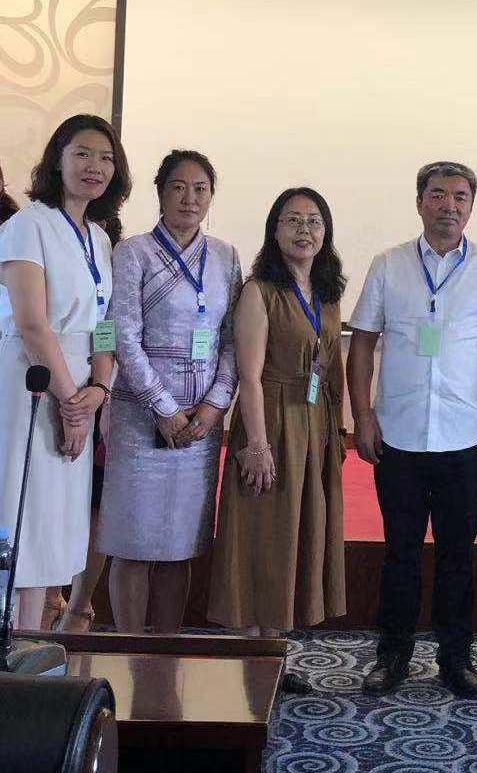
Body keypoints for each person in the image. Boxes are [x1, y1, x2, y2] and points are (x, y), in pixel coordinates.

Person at [348, 161, 477, 699]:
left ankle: (456, 658)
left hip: (464, 437)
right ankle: (392, 655)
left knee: (457, 556)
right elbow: (362, 344)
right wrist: (362, 416)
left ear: (471, 206)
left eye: (460, 197)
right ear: (420, 201)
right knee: (399, 553)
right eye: (439, 194)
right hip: (398, 435)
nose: (450, 205)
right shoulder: (388, 264)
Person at [207, 187, 347, 690]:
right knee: (260, 536)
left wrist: (335, 435)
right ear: (274, 230)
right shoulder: (259, 291)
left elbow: (330, 367)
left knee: (291, 537)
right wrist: (257, 445)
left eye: (314, 221)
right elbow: (249, 375)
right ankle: (247, 661)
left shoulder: (326, 293)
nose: (304, 230)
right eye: (293, 219)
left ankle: (273, 658)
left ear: (325, 232)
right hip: (269, 422)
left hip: (312, 426)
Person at [97, 150, 243, 633]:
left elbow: (232, 340)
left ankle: (163, 649)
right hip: (141, 417)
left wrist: (215, 406)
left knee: (179, 547)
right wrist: (162, 407)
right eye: (178, 187)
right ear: (160, 193)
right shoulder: (132, 253)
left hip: (200, 423)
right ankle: (129, 649)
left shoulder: (225, 257)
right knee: (134, 544)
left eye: (200, 189)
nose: (189, 198)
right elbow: (123, 336)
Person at [0, 114, 130, 630]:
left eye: (105, 158)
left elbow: (105, 325)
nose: (94, 166)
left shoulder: (99, 237)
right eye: (82, 154)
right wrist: (73, 404)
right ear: (57, 160)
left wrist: (100, 387)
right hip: (31, 383)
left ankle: (32, 644)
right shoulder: (27, 225)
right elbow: (33, 325)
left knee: (53, 526)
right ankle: (13, 648)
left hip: (79, 388)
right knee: (23, 518)